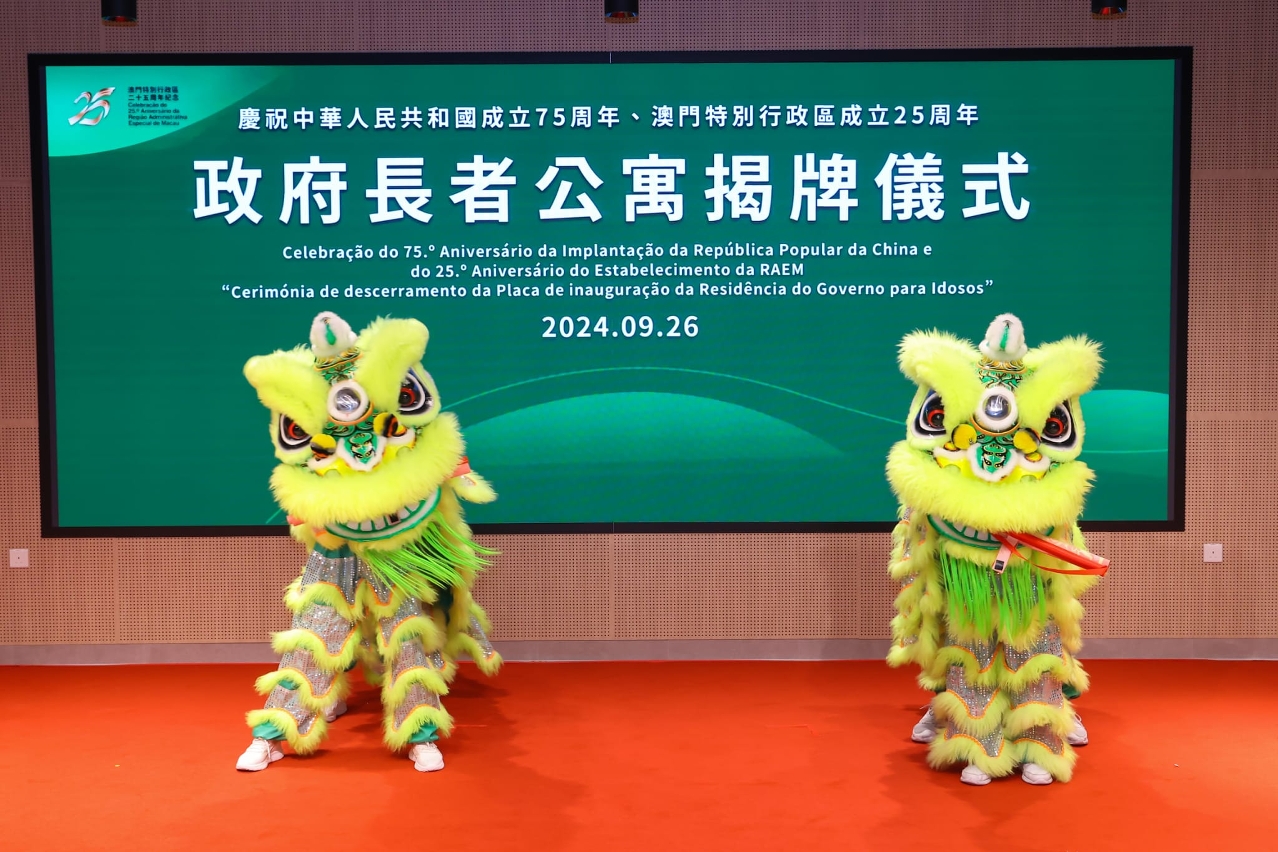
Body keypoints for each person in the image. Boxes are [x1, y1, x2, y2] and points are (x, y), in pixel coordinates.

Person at [234, 311, 501, 772]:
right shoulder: (313, 428)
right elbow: (299, 487)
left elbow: (439, 456)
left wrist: (451, 475)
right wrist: (313, 510)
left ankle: (420, 735)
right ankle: (273, 734)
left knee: (407, 639)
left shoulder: (395, 418)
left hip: (398, 551)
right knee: (315, 636)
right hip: (336, 554)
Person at [885, 314, 1107, 785]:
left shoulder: (1043, 453)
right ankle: (977, 743)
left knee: (1034, 648)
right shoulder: (943, 447)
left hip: (1026, 566)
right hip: (963, 562)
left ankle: (1042, 739)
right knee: (968, 648)